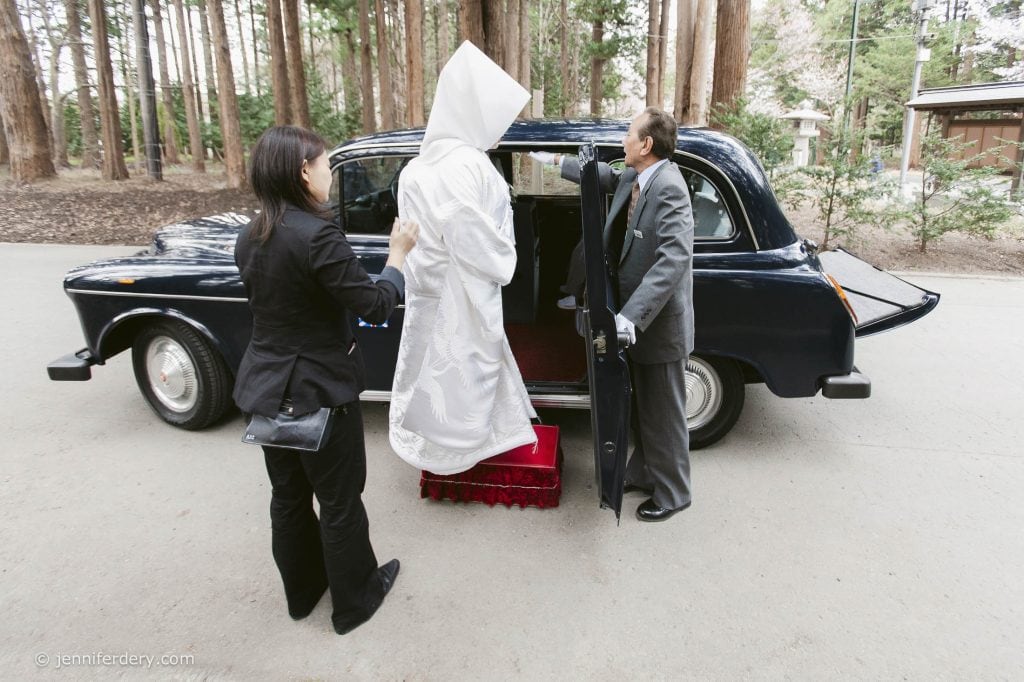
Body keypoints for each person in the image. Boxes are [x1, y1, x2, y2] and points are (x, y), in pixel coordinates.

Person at [233, 125, 419, 634]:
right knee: (339, 500)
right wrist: (397, 254)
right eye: (323, 164)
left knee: (287, 497)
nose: (328, 175)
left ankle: (302, 594)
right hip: (318, 391)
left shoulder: (249, 236)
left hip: (265, 388)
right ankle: (355, 602)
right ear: (302, 171)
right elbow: (377, 305)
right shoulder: (318, 236)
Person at [531, 108, 695, 522]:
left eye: (628, 133)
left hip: (657, 326)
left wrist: (631, 317)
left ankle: (674, 493)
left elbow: (672, 260)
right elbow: (603, 176)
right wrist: (551, 160)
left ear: (646, 145)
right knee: (641, 410)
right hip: (633, 321)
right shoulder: (637, 176)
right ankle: (643, 471)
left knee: (664, 414)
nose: (623, 139)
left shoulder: (670, 188)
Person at [388, 41, 538, 475]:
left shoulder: (415, 168)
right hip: (466, 292)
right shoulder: (471, 165)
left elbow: (412, 236)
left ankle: (431, 449)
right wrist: (504, 260)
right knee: (470, 376)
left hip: (425, 291)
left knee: (424, 377)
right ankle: (466, 450)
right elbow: (479, 243)